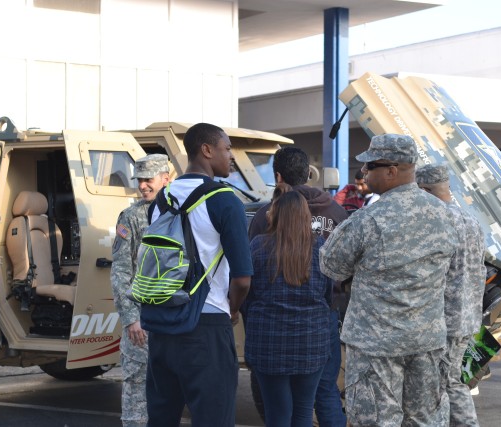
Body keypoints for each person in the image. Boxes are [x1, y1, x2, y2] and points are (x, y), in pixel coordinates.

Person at [319, 134, 459, 427]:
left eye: (370, 166)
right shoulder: (447, 216)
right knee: (424, 420)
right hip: (426, 341)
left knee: (377, 421)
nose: (364, 173)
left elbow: (330, 264)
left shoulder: (369, 219)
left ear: (392, 170)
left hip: (376, 348)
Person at [141, 123, 252, 427]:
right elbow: (242, 277)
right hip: (207, 326)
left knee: (161, 418)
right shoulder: (224, 199)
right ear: (206, 150)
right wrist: (233, 308)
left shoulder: (162, 200)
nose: (231, 156)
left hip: (162, 323)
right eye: (226, 148)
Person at [249, 146, 348, 426]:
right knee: (313, 403)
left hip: (269, 335)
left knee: (277, 411)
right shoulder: (334, 220)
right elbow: (334, 286)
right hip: (316, 332)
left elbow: (247, 283)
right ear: (309, 173)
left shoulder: (260, 236)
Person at [244, 185, 332, 426]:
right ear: (306, 216)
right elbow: (327, 294)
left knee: (277, 413)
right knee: (303, 411)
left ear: (277, 214)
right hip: (312, 341)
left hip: (268, 341)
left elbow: (247, 291)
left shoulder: (259, 246)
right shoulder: (320, 248)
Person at [416, 164, 485, 427]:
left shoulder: (434, 222)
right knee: (455, 382)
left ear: (424, 190)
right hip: (468, 318)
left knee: (439, 389)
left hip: (442, 320)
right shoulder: (470, 220)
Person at [110, 153, 170, 427]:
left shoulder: (178, 213)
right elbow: (121, 272)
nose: (143, 185)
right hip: (141, 324)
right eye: (140, 180)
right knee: (136, 393)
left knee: (169, 395)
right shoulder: (131, 217)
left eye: (149, 180)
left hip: (172, 320)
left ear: (165, 179)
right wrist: (131, 318)